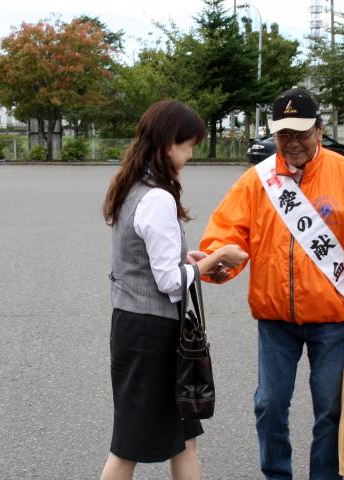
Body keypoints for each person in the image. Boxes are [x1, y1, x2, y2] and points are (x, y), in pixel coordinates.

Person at [199, 87, 344, 480]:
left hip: (332, 318)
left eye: (300, 134)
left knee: (332, 409)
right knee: (269, 404)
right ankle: (277, 474)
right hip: (275, 317)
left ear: (319, 131)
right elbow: (228, 234)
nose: (291, 144)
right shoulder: (258, 181)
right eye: (283, 135)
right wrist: (216, 263)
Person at [100, 99, 248, 480]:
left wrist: (188, 259)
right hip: (153, 332)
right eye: (188, 145)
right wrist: (215, 260)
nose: (190, 154)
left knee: (183, 435)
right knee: (128, 446)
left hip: (133, 323)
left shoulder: (131, 186)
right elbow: (167, 281)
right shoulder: (158, 196)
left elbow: (148, 260)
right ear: (169, 143)